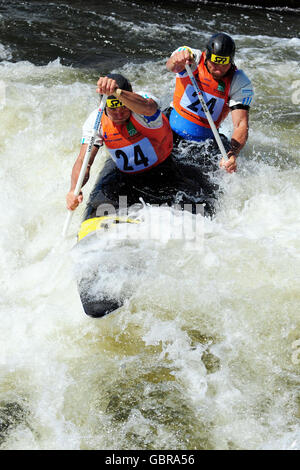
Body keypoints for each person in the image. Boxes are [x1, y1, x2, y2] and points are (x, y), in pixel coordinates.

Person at [66, 73, 214, 222]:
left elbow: (148, 108)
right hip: (126, 177)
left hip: (164, 172)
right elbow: (84, 160)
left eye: (122, 107)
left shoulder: (141, 103)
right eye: (113, 109)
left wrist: (118, 92)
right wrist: (74, 190)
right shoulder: (95, 121)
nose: (118, 114)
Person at [166, 32, 254, 174]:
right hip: (170, 128)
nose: (218, 68)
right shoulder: (193, 59)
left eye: (224, 64)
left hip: (205, 141)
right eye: (214, 63)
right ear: (206, 55)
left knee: (223, 173)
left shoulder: (239, 81)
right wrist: (176, 59)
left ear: (231, 61)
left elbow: (241, 124)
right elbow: (170, 65)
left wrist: (232, 154)